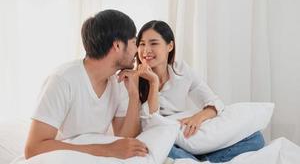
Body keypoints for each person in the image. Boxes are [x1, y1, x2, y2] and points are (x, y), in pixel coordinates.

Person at [24, 9, 149, 160]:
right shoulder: (62, 80)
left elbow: (126, 142)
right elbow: (33, 148)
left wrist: (134, 95)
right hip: (63, 158)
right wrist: (106, 150)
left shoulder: (119, 82)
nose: (137, 50)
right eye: (134, 42)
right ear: (117, 45)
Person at [136, 20, 265, 163]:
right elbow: (152, 122)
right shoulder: (133, 79)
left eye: (153, 43)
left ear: (170, 46)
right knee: (161, 149)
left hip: (185, 137)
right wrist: (153, 82)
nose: (146, 50)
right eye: (142, 44)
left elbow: (214, 102)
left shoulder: (182, 71)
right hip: (162, 139)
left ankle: (200, 159)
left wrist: (198, 117)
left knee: (255, 138)